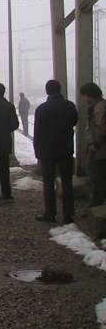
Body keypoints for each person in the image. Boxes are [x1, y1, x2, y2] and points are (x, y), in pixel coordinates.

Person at [33, 80, 78, 223]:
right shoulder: (70, 106)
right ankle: (68, 215)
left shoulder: (41, 109)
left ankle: (50, 213)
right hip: (65, 149)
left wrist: (38, 153)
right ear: (60, 89)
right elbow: (74, 122)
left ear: (47, 91)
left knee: (48, 183)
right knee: (67, 182)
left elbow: (38, 132)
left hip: (47, 151)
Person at [80, 82, 106, 208]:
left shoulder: (99, 108)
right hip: (99, 148)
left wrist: (95, 144)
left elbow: (100, 128)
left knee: (97, 176)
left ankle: (97, 205)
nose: (83, 99)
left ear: (89, 95)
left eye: (84, 95)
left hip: (99, 149)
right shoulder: (98, 105)